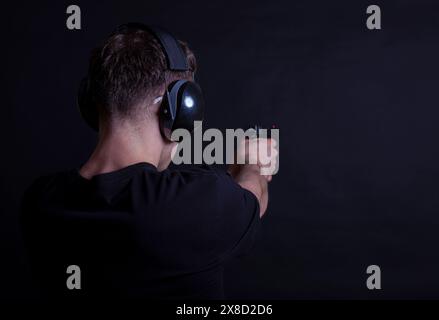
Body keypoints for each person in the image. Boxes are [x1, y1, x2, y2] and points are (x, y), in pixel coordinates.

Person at [20, 23, 277, 299]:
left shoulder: (40, 202)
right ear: (181, 110)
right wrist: (251, 164)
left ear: (91, 102)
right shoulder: (196, 203)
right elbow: (252, 198)